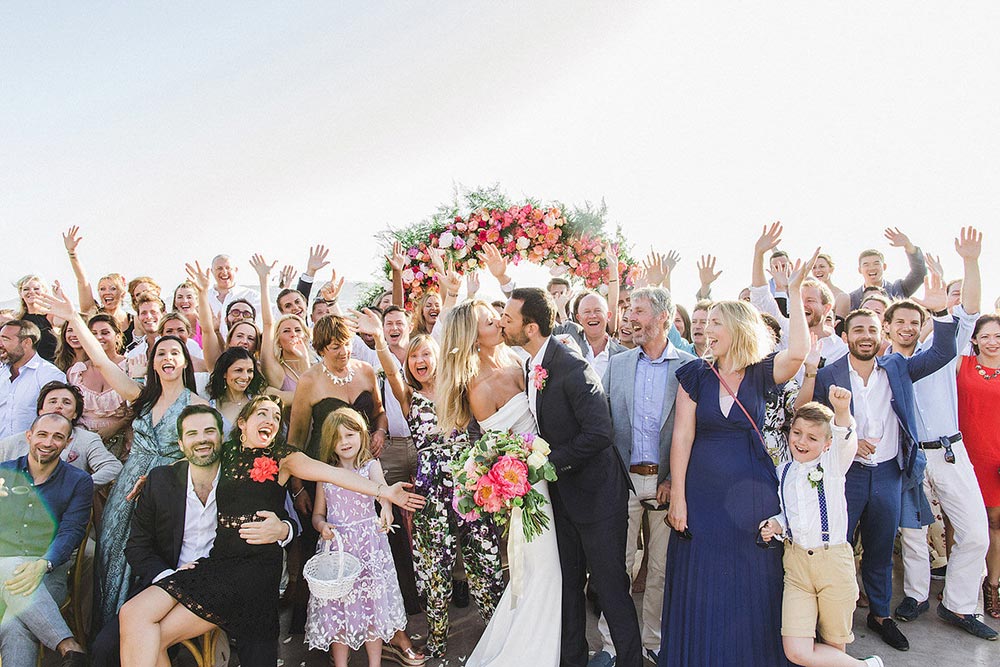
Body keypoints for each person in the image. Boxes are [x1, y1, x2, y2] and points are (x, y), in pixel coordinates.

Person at [117, 396, 425, 667]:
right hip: (217, 562)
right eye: (262, 414)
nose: (270, 420)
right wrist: (154, 478)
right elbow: (193, 458)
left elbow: (332, 473)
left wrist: (384, 492)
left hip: (252, 572)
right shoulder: (227, 454)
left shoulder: (285, 458)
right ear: (242, 423)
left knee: (151, 635)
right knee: (131, 614)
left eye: (276, 417)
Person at [663, 250, 817, 666]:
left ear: (736, 329)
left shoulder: (763, 371)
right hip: (703, 494)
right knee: (703, 580)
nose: (706, 329)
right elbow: (682, 435)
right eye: (706, 321)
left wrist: (796, 291)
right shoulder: (695, 373)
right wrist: (678, 496)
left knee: (753, 580)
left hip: (754, 493)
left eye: (716, 322)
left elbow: (800, 350)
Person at [40, 280, 211, 630]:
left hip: (168, 491)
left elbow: (204, 459)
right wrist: (74, 316)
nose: (166, 358)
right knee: (111, 552)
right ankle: (109, 634)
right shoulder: (141, 397)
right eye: (160, 353)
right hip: (127, 488)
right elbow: (102, 362)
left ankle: (151, 631)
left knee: (156, 557)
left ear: (184, 362)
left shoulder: (197, 406)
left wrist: (163, 479)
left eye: (173, 353)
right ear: (152, 361)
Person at [805, 289, 958, 652]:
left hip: (889, 474)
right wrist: (848, 442)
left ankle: (879, 615)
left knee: (879, 551)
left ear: (882, 335)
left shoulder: (898, 368)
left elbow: (943, 352)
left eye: (872, 331)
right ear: (845, 336)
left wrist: (938, 309)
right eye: (858, 330)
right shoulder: (829, 376)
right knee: (835, 547)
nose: (866, 337)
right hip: (846, 476)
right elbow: (810, 425)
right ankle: (827, 620)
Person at [90, 404, 295, 667]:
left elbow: (284, 516)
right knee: (107, 648)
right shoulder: (160, 481)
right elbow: (138, 547)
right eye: (192, 434)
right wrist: (168, 576)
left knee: (256, 646)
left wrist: (284, 529)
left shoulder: (242, 475)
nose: (201, 440)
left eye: (209, 431)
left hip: (229, 582)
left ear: (221, 438)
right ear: (181, 443)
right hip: (172, 580)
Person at [498, 288, 640, 667]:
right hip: (562, 499)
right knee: (568, 587)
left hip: (599, 498)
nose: (502, 323)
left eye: (509, 319)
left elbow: (599, 434)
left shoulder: (573, 367)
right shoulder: (531, 365)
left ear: (529, 328)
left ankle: (631, 661)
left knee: (611, 590)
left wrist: (544, 465)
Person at [437, 299, 560, 667]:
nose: (499, 321)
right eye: (490, 321)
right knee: (543, 570)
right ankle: (531, 654)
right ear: (473, 337)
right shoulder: (479, 386)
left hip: (553, 470)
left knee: (548, 569)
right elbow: (498, 450)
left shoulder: (517, 359)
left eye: (498, 316)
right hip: (530, 487)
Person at [893, 228, 995, 640]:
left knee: (974, 531)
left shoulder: (944, 350)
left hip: (951, 453)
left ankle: (959, 605)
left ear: (924, 323)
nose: (909, 327)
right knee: (914, 534)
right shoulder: (883, 364)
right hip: (911, 457)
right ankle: (916, 597)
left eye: (916, 321)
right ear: (889, 327)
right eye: (901, 322)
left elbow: (969, 310)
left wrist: (970, 262)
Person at [590, 287, 695, 667]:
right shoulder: (617, 364)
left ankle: (654, 640)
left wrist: (675, 481)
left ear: (664, 317)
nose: (631, 318)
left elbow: (692, 432)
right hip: (624, 481)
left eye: (640, 311)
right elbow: (605, 424)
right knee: (618, 565)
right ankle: (612, 644)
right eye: (630, 310)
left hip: (669, 483)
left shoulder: (688, 366)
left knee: (662, 568)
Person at [758, 393, 885, 667]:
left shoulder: (832, 466)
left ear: (826, 444)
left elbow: (844, 438)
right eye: (797, 433)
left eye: (812, 438)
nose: (801, 442)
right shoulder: (784, 471)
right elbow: (788, 511)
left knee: (833, 645)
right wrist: (776, 524)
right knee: (796, 650)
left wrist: (841, 411)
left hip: (832, 562)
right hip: (796, 565)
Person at [305, 407, 422, 667]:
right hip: (339, 549)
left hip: (369, 545)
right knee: (338, 607)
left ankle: (375, 663)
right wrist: (322, 526)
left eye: (350, 434)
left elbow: (384, 495)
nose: (344, 442)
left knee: (372, 606)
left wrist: (388, 510)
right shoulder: (325, 474)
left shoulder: (370, 466)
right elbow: (317, 514)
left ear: (362, 435)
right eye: (337, 438)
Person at [0, 412, 92, 667]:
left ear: (67, 442)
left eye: (57, 437)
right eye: (42, 434)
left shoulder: (78, 481)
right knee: (8, 564)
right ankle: (69, 646)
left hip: (48, 570)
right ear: (29, 437)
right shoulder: (3, 473)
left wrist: (43, 564)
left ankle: (70, 649)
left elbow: (72, 531)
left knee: (14, 625)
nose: (48, 442)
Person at [957, 313, 1000, 618]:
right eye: (985, 336)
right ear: (974, 339)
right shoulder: (963, 365)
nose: (992, 342)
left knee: (995, 523)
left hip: (996, 457)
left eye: (998, 336)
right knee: (960, 523)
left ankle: (992, 585)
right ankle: (962, 586)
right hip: (963, 455)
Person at [0, 381, 122, 487]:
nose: (59, 406)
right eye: (52, 401)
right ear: (40, 410)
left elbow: (113, 467)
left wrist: (79, 486)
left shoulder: (87, 439)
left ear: (75, 414)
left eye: (67, 402)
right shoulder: (10, 443)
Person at [67, 314, 132, 453]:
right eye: (93, 333)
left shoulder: (130, 367)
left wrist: (115, 428)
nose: (98, 337)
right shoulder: (76, 372)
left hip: (122, 440)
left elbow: (139, 406)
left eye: (105, 332)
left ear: (118, 336)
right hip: (82, 442)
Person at [62, 226, 135, 345]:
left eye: (113, 288)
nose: (107, 292)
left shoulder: (133, 320)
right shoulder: (92, 312)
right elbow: (82, 281)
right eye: (102, 289)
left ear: (122, 293)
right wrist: (72, 252)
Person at [836, 228, 927, 316]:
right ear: (859, 270)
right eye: (866, 264)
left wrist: (908, 246)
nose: (871, 268)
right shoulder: (851, 298)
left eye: (876, 264)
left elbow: (919, 274)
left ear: (884, 267)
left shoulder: (898, 289)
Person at [1, 318, 67, 439]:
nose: (0, 344)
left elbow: (57, 420)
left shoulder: (50, 375)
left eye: (5, 339)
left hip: (28, 453)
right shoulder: (2, 371)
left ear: (27, 343)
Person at [206, 347, 266, 431]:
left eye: (249, 371)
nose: (245, 377)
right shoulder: (211, 407)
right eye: (238, 370)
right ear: (224, 373)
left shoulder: (259, 403)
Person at [13, 275, 60, 362]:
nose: (31, 292)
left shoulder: (51, 315)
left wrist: (58, 298)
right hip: (26, 367)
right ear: (21, 294)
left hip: (52, 365)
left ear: (44, 291)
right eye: (26, 289)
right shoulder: (18, 320)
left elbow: (62, 322)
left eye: (36, 289)